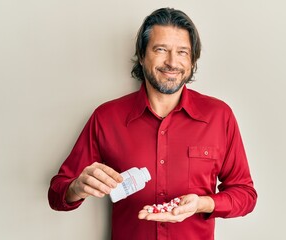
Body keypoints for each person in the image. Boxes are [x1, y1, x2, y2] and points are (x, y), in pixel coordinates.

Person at [48, 7, 257, 240]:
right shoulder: (106, 118)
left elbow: (245, 195)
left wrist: (203, 204)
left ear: (192, 59)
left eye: (182, 52)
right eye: (161, 49)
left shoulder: (219, 116)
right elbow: (56, 194)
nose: (172, 62)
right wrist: (76, 188)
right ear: (142, 54)